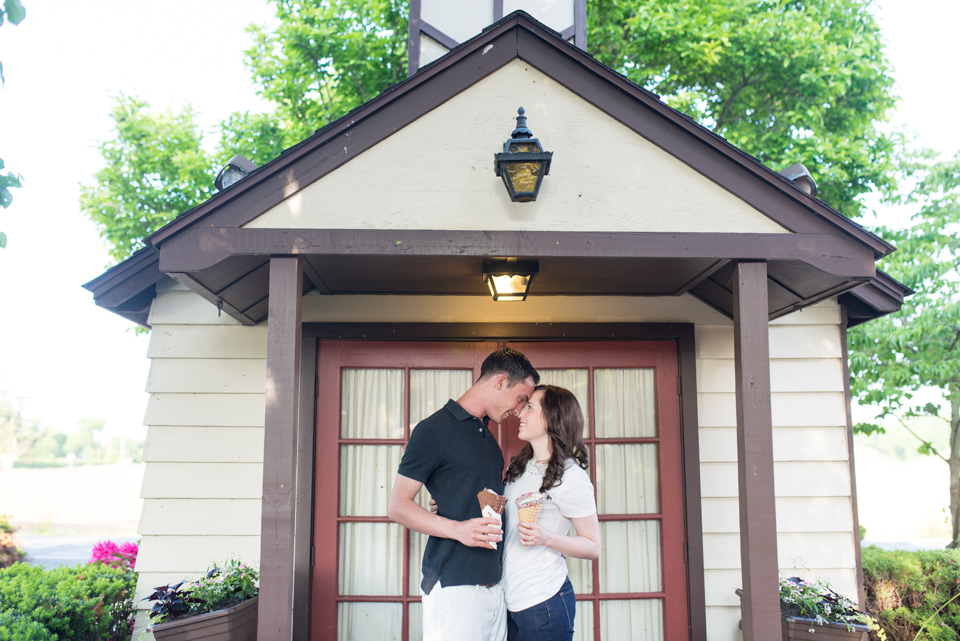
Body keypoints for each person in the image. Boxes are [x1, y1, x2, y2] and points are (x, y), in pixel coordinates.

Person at [388, 348, 540, 641]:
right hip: (454, 588)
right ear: (499, 382)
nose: (519, 410)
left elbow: (467, 492)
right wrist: (458, 529)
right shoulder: (433, 430)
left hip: (494, 588)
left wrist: (450, 500)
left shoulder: (487, 437)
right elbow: (398, 507)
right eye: (520, 399)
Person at [501, 385, 601, 641]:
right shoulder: (518, 466)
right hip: (508, 599)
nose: (520, 411)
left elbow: (592, 547)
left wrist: (546, 537)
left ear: (552, 419)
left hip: (543, 602)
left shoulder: (571, 477)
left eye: (530, 407)